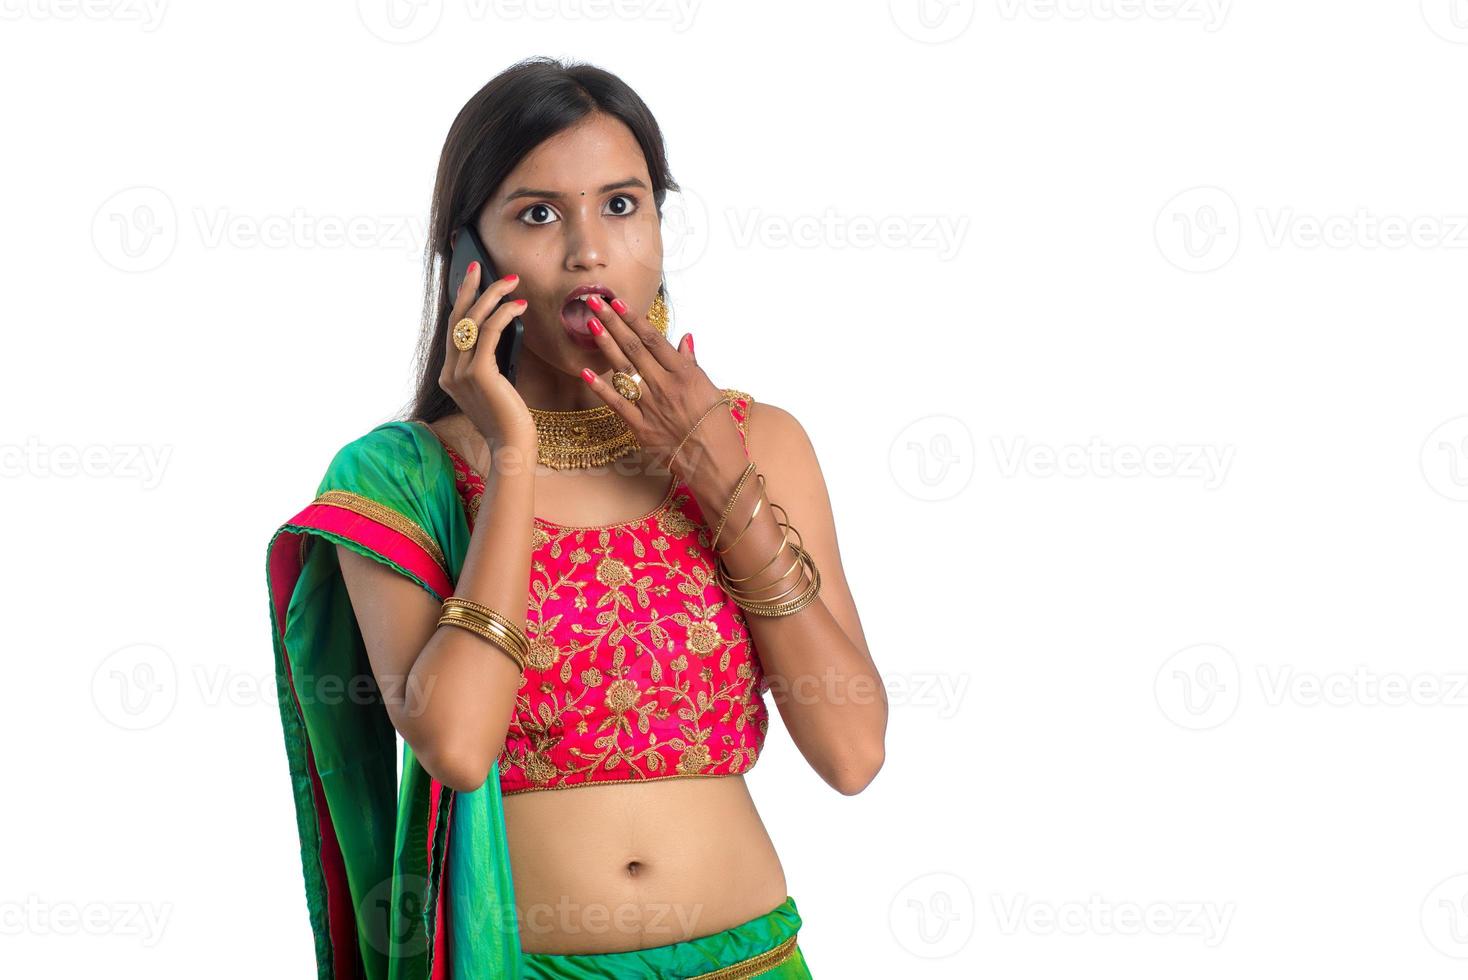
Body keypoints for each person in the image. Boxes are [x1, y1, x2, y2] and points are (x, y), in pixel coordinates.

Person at [264, 56, 886, 979]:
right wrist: (510, 455)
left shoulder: (763, 443)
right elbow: (457, 748)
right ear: (468, 257)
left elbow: (851, 752)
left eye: (622, 205)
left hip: (753, 958)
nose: (589, 250)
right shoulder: (402, 475)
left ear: (663, 229)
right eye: (539, 214)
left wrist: (728, 491)